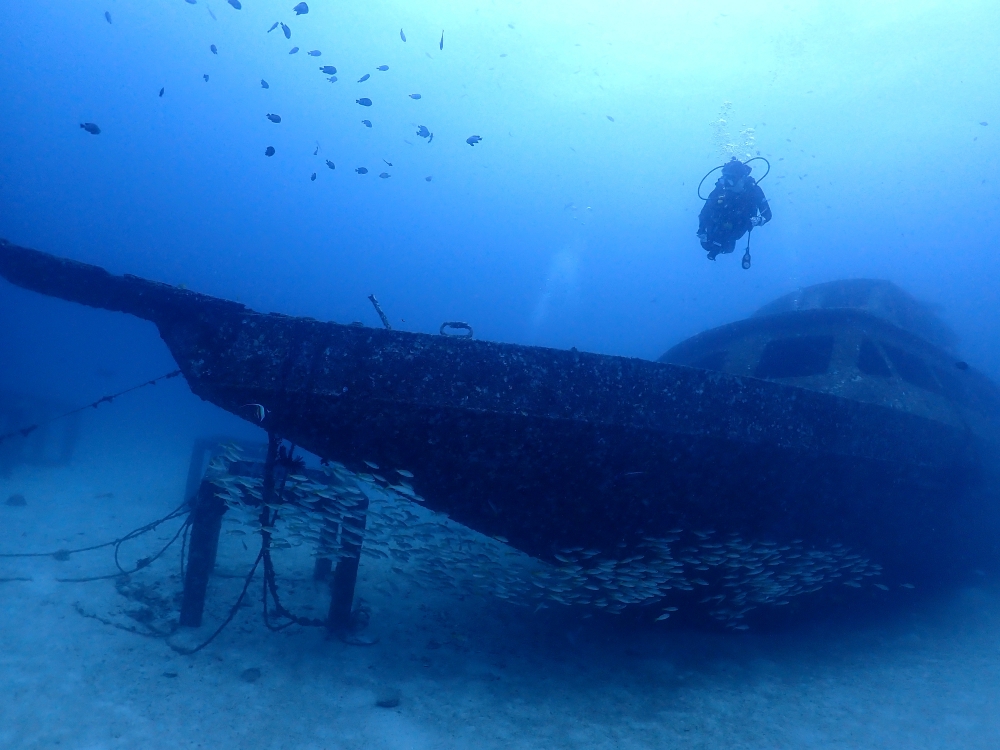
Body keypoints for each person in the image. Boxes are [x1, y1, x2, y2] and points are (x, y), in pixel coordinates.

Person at [697, 157, 772, 261]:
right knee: (707, 245)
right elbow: (704, 212)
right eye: (725, 179)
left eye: (731, 180)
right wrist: (702, 229)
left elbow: (767, 214)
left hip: (739, 224)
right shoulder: (720, 189)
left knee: (727, 245)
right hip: (718, 223)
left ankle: (720, 244)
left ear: (742, 179)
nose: (727, 184)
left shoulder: (753, 190)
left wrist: (758, 220)